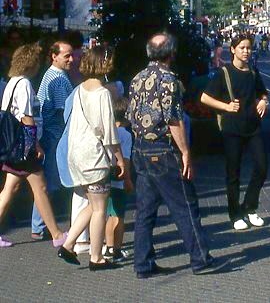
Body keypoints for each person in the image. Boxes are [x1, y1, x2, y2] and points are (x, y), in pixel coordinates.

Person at [127, 32, 219, 277]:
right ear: (171, 54)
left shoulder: (137, 78)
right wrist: (186, 152)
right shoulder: (169, 80)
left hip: (140, 149)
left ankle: (143, 264)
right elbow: (174, 119)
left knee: (145, 210)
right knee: (185, 205)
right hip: (164, 149)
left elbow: (130, 115)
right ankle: (200, 259)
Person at [56, 46, 125, 270]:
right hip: (94, 156)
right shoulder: (103, 93)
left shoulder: (79, 90)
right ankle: (97, 257)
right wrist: (120, 158)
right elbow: (109, 132)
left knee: (92, 202)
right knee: (99, 209)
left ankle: (68, 244)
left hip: (77, 154)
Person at [0, 44, 68, 249]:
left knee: (10, 189)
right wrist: (35, 146)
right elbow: (27, 118)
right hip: (24, 147)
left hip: (12, 145)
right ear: (31, 63)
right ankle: (56, 234)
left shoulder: (12, 83)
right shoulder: (25, 85)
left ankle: (54, 233)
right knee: (41, 187)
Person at [200, 34, 269, 231]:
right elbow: (205, 98)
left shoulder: (253, 72)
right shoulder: (224, 73)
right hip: (232, 128)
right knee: (233, 173)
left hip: (253, 127)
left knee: (262, 167)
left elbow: (262, 92)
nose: (246, 51)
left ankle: (249, 206)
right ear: (233, 50)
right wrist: (226, 106)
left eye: (248, 48)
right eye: (242, 48)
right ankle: (235, 213)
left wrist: (264, 100)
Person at [32, 39, 75, 240]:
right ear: (54, 56)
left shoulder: (52, 75)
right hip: (55, 134)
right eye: (67, 56)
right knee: (48, 182)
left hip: (50, 133)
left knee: (45, 182)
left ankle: (39, 225)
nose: (71, 59)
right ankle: (40, 225)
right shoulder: (58, 79)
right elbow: (63, 110)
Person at [105, 96, 133, 262]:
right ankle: (116, 248)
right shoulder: (125, 135)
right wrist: (128, 179)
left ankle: (108, 246)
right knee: (119, 216)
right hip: (119, 177)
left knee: (108, 214)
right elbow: (126, 160)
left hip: (105, 176)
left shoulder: (108, 131)